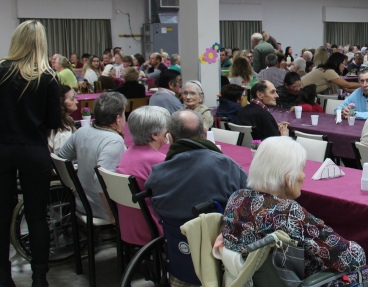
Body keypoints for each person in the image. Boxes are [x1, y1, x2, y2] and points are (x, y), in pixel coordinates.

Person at [222, 137, 368, 278]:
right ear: (288, 178)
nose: (304, 176)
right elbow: (353, 259)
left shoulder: (237, 197)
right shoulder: (288, 212)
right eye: (302, 169)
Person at [0, 20, 61, 287]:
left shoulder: (0, 71)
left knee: (2, 215)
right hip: (34, 151)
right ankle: (39, 282)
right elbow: (52, 121)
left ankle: (3, 284)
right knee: (36, 216)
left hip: (3, 148)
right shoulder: (47, 78)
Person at [146, 110, 248, 222]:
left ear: (170, 138)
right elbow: (250, 196)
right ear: (205, 133)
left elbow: (155, 207)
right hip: (217, 235)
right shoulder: (225, 165)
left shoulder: (157, 173)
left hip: (174, 236)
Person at [59, 92, 127, 222]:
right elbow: (101, 179)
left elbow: (61, 158)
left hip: (82, 202)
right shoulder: (114, 140)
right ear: (118, 119)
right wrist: (112, 216)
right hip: (102, 209)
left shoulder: (82, 131)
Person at [116, 106, 170, 245]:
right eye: (166, 128)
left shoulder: (127, 153)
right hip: (150, 227)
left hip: (128, 226)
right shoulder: (157, 161)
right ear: (155, 135)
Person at [48, 85, 77, 154]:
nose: (76, 101)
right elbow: (62, 159)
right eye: (72, 99)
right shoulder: (62, 132)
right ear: (61, 104)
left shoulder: (66, 121)